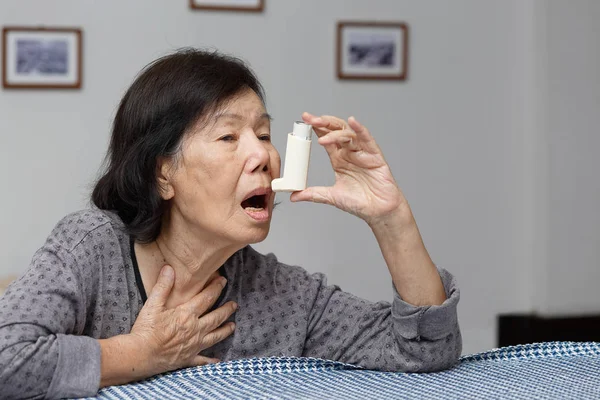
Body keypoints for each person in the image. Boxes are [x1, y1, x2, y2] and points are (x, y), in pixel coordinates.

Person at [0, 49, 461, 399]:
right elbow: (7, 358)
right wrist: (142, 355)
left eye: (263, 134)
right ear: (163, 174)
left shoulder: (283, 296)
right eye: (228, 136)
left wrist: (391, 217)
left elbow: (424, 353)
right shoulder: (91, 248)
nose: (262, 154)